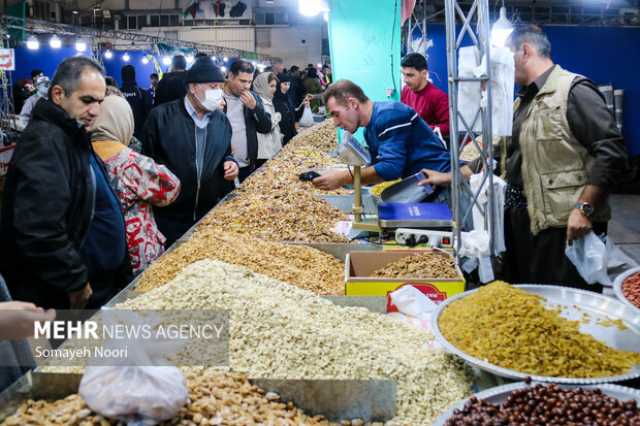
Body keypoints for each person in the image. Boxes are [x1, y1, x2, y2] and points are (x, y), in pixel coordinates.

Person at [419, 24, 629, 291]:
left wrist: (584, 208)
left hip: (562, 225)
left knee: (561, 304)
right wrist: (447, 177)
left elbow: (611, 151)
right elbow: (496, 158)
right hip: (521, 223)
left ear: (525, 51)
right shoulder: (522, 102)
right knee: (526, 300)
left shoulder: (573, 90)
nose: (500, 69)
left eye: (504, 58)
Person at [0, 57, 108, 310]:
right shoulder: (45, 142)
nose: (96, 111)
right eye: (87, 100)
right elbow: (39, 227)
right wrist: (74, 280)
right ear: (58, 94)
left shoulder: (69, 134)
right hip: (42, 293)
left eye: (100, 102)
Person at [143, 57, 239, 246]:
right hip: (169, 217)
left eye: (220, 87)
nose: (218, 92)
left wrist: (231, 163)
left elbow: (225, 153)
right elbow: (147, 164)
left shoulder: (222, 121)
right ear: (192, 87)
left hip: (208, 215)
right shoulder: (161, 118)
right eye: (212, 86)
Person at [91, 95, 181, 275]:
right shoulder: (131, 161)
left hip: (99, 252)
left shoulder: (83, 153)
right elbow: (171, 189)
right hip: (136, 253)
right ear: (124, 121)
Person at [312, 80, 451, 193]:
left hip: (446, 186)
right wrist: (336, 175)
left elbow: (390, 168)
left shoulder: (389, 115)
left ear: (353, 103)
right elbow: (376, 171)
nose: (336, 123)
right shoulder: (369, 130)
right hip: (425, 187)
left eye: (336, 114)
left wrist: (342, 178)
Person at [222, 60, 272, 182]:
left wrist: (255, 108)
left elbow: (266, 127)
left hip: (247, 166)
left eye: (249, 82)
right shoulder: (217, 98)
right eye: (242, 81)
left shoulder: (252, 97)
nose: (247, 86)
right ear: (230, 76)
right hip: (223, 168)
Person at [401, 53, 450, 139]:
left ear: (424, 73)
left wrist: (421, 129)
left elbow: (449, 127)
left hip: (429, 147)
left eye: (410, 75)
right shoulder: (406, 90)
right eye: (403, 74)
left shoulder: (438, 97)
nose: (405, 80)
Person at [253, 72, 283, 167]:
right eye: (271, 86)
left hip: (272, 147)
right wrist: (277, 117)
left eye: (275, 86)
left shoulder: (268, 99)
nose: (274, 89)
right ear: (262, 85)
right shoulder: (257, 102)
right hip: (264, 150)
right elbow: (266, 125)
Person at [273, 73, 306, 145]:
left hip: (291, 132)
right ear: (279, 84)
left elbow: (293, 112)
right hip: (281, 135)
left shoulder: (288, 97)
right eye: (285, 84)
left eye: (289, 84)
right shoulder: (274, 100)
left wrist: (303, 105)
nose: (287, 86)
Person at [120, 65, 151, 139]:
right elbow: (149, 113)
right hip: (140, 133)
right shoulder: (143, 93)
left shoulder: (117, 93)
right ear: (134, 75)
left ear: (122, 76)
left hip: (122, 133)